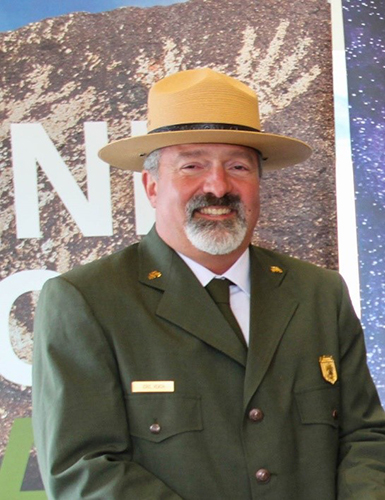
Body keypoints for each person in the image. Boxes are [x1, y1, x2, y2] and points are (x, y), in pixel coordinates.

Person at [32, 68, 385, 499]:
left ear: (259, 184)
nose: (218, 186)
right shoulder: (88, 301)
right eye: (192, 165)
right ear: (152, 185)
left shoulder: (319, 294)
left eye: (237, 166)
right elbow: (82, 472)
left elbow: (365, 440)